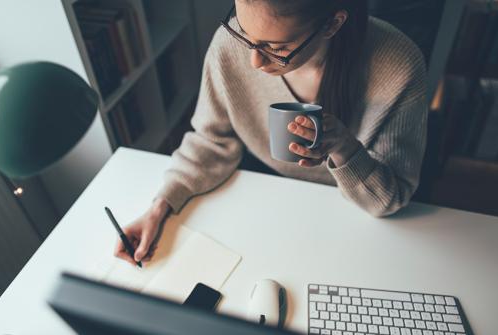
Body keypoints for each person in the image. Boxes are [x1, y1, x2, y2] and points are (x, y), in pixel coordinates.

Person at [115, 0, 427, 266]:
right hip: (265, 200)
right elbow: (211, 140)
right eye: (245, 34)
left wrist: (345, 148)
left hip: (358, 223)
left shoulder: (398, 64)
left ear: (332, 24)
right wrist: (160, 207)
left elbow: (390, 196)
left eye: (277, 48)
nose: (254, 60)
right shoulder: (231, 46)